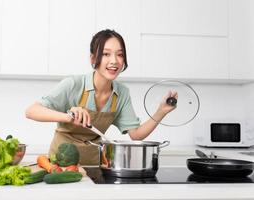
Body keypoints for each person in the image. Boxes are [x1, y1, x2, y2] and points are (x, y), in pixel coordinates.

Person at [25, 29, 177, 165]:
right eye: (106, 54)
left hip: (94, 165)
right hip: (61, 165)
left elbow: (136, 135)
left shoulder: (121, 94)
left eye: (120, 54)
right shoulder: (74, 84)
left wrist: (161, 111)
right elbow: (31, 111)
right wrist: (69, 117)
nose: (114, 61)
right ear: (93, 59)